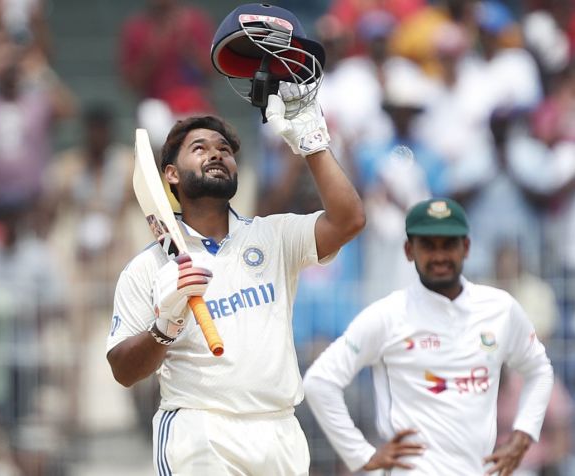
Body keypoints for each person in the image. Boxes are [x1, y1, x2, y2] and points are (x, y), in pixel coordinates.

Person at [105, 83, 366, 475]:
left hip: (279, 430)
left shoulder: (273, 236)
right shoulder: (148, 267)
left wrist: (312, 142)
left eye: (224, 150)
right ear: (171, 175)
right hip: (200, 430)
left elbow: (350, 220)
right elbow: (123, 370)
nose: (216, 153)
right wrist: (165, 326)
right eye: (200, 148)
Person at [303, 197, 554, 475]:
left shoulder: (500, 309)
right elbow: (320, 381)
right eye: (428, 246)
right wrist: (361, 455)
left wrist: (523, 435)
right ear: (409, 250)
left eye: (448, 245)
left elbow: (539, 370)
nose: (439, 256)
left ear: (466, 248)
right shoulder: (388, 314)